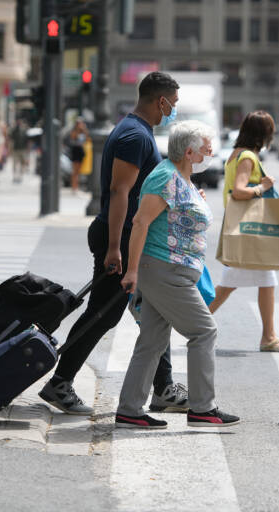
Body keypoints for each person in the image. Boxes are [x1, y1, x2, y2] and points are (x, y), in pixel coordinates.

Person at [39, 71, 188, 415]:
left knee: (153, 313)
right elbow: (120, 192)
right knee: (102, 315)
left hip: (130, 238)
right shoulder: (135, 136)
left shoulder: (137, 131)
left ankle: (163, 388)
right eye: (173, 104)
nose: (173, 110)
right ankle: (59, 382)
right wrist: (114, 248)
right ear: (160, 101)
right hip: (118, 237)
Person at [115, 121, 240, 429]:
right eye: (207, 149)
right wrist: (132, 270)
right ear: (189, 152)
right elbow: (141, 222)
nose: (210, 154)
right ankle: (203, 408)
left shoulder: (180, 178)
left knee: (152, 342)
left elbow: (176, 212)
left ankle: (129, 410)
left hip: (172, 270)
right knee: (204, 331)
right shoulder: (165, 177)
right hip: (165, 269)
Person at [209, 111, 279, 352]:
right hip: (248, 232)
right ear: (263, 134)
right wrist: (263, 186)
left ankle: (268, 336)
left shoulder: (237, 154)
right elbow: (239, 192)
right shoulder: (248, 157)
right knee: (229, 285)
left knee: (262, 281)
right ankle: (195, 326)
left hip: (244, 227)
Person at [66, 118, 89, 192]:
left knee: (78, 171)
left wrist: (84, 129)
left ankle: (77, 187)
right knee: (74, 171)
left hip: (81, 151)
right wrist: (78, 130)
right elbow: (73, 137)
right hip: (75, 151)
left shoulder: (83, 132)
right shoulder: (74, 131)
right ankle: (74, 187)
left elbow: (87, 139)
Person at [9, 118, 29, 184]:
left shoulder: (25, 130)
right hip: (16, 149)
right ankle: (15, 176)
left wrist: (28, 150)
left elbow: (28, 141)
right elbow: (11, 139)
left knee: (22, 163)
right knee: (15, 163)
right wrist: (10, 149)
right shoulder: (14, 130)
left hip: (23, 149)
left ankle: (20, 176)